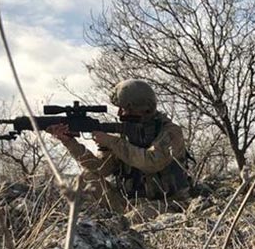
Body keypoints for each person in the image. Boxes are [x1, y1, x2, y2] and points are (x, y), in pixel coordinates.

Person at [47, 79, 190, 221]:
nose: (119, 114)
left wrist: (112, 142)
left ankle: (118, 226)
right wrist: (70, 142)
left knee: (133, 218)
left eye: (124, 109)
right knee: (87, 177)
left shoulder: (170, 132)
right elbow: (101, 169)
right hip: (129, 204)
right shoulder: (126, 135)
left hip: (169, 204)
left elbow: (152, 162)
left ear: (143, 109)